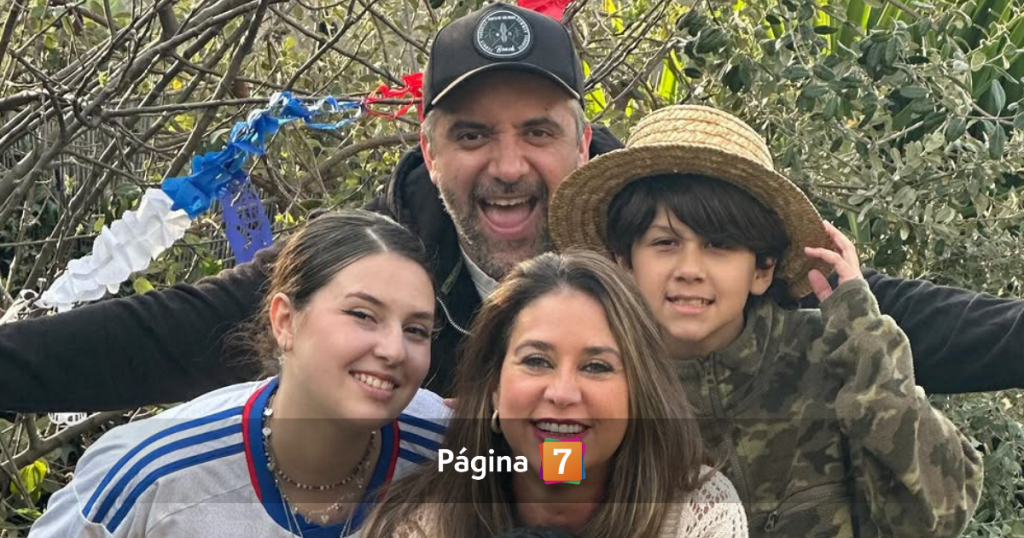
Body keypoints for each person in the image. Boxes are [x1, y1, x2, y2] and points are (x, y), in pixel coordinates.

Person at [1, 3, 1021, 413]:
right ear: (426, 147)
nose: (507, 167)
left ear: (583, 140)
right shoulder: (380, 266)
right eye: (472, 135)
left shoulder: (666, 236)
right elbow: (168, 334)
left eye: (537, 131)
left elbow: (877, 311)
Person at [547, 105, 985, 538]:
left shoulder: (831, 359)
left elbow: (941, 514)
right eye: (665, 243)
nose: (689, 269)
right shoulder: (592, 378)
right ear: (625, 263)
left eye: (719, 245)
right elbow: (545, 503)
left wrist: (867, 341)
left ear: (762, 269)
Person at [27, 210, 449, 537]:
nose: (394, 350)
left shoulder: (445, 449)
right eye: (362, 315)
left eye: (416, 330)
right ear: (285, 321)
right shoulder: (151, 472)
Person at [361, 251, 748, 538]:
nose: (562, 394)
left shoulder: (699, 512)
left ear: (639, 391)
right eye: (536, 361)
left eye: (596, 366)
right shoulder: (419, 521)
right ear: (494, 387)